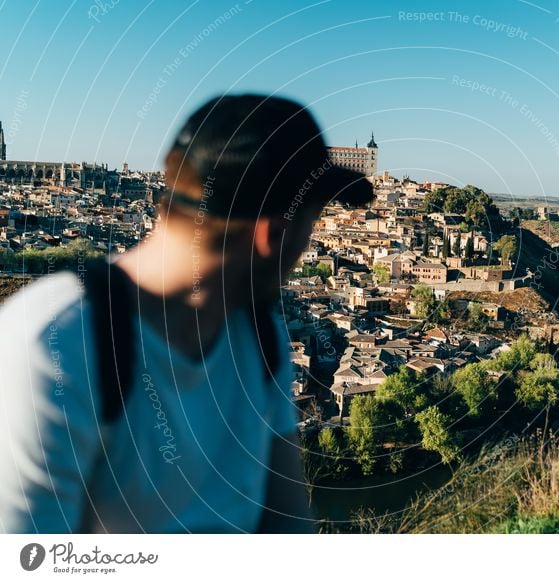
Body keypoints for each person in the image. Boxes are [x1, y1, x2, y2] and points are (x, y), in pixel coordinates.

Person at [0, 94, 374, 533]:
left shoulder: (259, 332)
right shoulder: (54, 343)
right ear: (272, 236)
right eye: (313, 223)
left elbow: (287, 528)